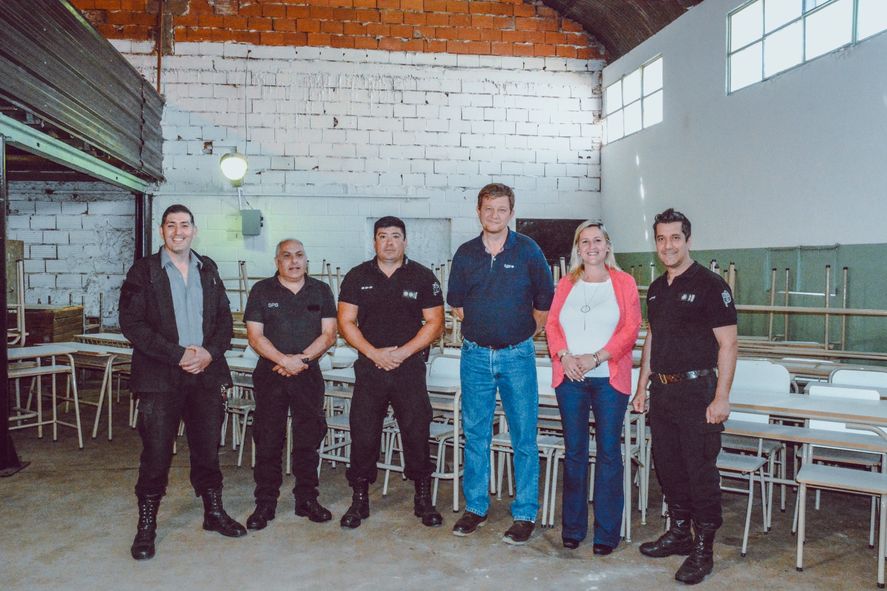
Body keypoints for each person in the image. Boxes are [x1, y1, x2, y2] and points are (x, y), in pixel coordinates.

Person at [119, 204, 246, 561]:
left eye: (185, 225)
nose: (179, 231)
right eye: (171, 225)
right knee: (156, 451)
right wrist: (178, 354)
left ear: (194, 230)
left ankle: (213, 512)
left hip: (205, 373)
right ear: (162, 231)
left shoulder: (209, 268)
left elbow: (224, 320)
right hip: (160, 377)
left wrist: (209, 353)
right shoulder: (143, 271)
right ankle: (147, 526)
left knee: (208, 448)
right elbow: (132, 324)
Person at [632, 208, 738, 585]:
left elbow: (728, 345)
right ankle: (679, 534)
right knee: (669, 468)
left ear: (688, 240)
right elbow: (653, 338)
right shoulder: (657, 288)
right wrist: (642, 386)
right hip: (663, 392)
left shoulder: (711, 285)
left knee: (699, 473)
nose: (668, 245)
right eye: (661, 239)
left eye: (675, 238)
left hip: (698, 393)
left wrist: (721, 397)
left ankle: (703, 550)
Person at [447, 183, 554, 545]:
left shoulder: (528, 250)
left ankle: (524, 513)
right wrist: (486, 328)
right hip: (475, 356)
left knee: (523, 435)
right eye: (488, 209)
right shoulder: (465, 254)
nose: (494, 215)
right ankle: (476, 507)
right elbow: (458, 305)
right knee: (476, 433)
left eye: (502, 209)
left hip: (517, 356)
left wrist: (520, 333)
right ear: (478, 211)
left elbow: (544, 301)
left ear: (511, 212)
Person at [336, 216, 445, 529]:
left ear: (405, 241)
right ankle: (359, 499)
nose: (389, 242)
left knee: (416, 431)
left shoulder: (423, 277)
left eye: (395, 236)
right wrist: (374, 354)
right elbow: (346, 321)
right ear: (374, 241)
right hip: (370, 369)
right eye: (382, 236)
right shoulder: (357, 276)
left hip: (408, 368)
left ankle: (423, 499)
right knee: (363, 432)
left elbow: (435, 323)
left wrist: (402, 353)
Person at [545, 220, 641, 553]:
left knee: (609, 453)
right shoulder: (566, 283)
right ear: (578, 248)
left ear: (607, 245)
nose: (591, 247)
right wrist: (564, 356)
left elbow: (631, 329)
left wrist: (596, 358)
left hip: (608, 381)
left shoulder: (624, 282)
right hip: (570, 378)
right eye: (584, 242)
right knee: (574, 453)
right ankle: (573, 528)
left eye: (597, 240)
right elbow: (552, 324)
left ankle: (606, 533)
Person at [242, 239, 337, 530]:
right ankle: (265, 502)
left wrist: (301, 360)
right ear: (277, 261)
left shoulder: (321, 290)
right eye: (287, 256)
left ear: (306, 260)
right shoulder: (261, 290)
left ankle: (306, 499)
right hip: (271, 374)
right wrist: (284, 360)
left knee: (308, 438)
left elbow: (329, 334)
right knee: (268, 439)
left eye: (299, 255)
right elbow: (255, 336)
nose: (294, 261)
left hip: (308, 374)